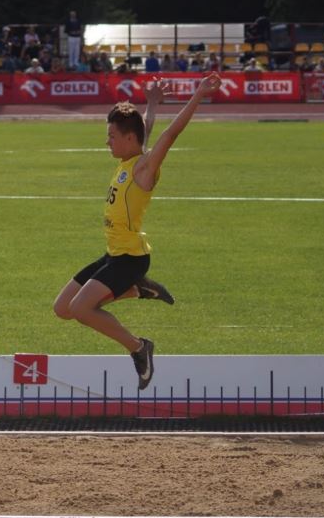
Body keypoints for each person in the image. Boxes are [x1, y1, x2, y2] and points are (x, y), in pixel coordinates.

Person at [53, 74, 222, 389]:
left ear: (128, 139)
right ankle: (137, 291)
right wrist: (152, 103)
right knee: (62, 308)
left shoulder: (144, 170)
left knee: (80, 309)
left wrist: (198, 95)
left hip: (130, 259)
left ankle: (139, 347)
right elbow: (145, 130)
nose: (107, 141)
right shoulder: (129, 159)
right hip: (114, 254)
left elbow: (169, 135)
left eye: (112, 136)